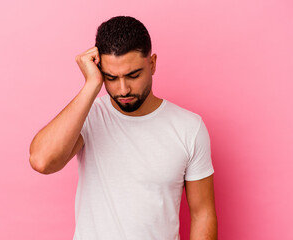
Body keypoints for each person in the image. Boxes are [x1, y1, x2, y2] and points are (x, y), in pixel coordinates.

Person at [29, 16, 217, 240]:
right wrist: (91, 85)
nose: (123, 89)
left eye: (133, 75)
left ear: (152, 64)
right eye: (111, 77)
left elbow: (202, 214)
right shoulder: (88, 116)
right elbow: (42, 161)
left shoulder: (189, 128)